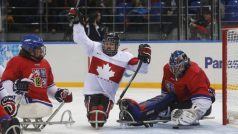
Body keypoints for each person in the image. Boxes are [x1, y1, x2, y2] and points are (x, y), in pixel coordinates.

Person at [68, 8, 151, 128]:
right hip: (91, 92)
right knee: (94, 118)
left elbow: (142, 69)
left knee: (100, 118)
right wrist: (77, 23)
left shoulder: (125, 57)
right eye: (106, 43)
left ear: (117, 45)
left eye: (112, 44)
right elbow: (80, 38)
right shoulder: (95, 48)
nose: (108, 46)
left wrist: (145, 58)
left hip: (108, 95)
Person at [119, 50, 215, 126]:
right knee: (164, 102)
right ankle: (139, 110)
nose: (174, 70)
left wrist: (195, 113)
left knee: (176, 111)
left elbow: (203, 99)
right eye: (172, 67)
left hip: (199, 103)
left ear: (185, 64)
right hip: (179, 100)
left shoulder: (195, 72)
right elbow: (165, 93)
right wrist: (162, 106)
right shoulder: (167, 69)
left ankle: (140, 114)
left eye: (178, 67)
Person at [0, 34, 73, 124]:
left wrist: (59, 93)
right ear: (28, 50)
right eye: (37, 49)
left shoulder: (45, 63)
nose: (40, 51)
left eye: (40, 49)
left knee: (42, 105)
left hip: (45, 105)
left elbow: (49, 86)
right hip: (24, 104)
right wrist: (16, 88)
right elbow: (5, 83)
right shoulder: (16, 61)